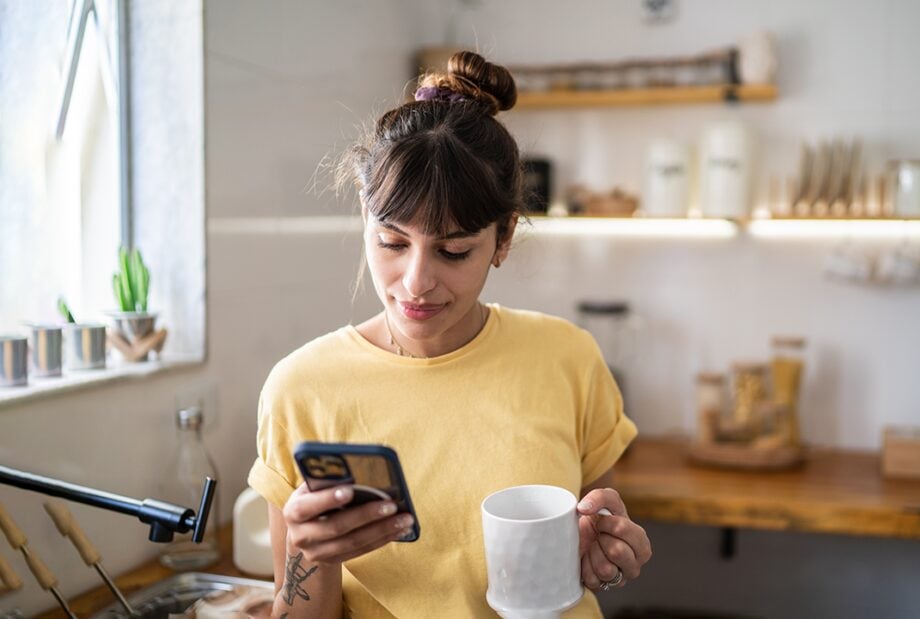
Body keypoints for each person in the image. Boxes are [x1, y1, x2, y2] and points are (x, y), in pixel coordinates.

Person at [247, 51, 652, 618]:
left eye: (454, 250)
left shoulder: (568, 357)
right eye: (391, 242)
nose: (415, 282)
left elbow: (597, 529)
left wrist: (607, 553)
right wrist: (313, 558)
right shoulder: (301, 388)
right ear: (365, 217)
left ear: (504, 237)